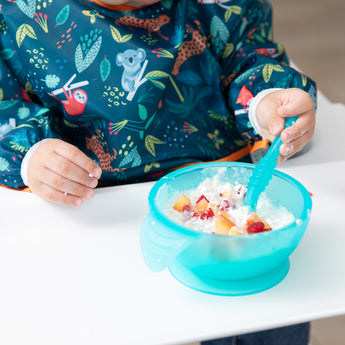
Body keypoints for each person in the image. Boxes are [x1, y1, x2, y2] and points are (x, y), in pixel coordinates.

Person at [0, 0, 315, 344]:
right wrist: (31, 154)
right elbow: (6, 106)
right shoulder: (17, 17)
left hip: (226, 194)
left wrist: (267, 102)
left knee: (269, 309)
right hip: (96, 210)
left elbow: (250, 54)